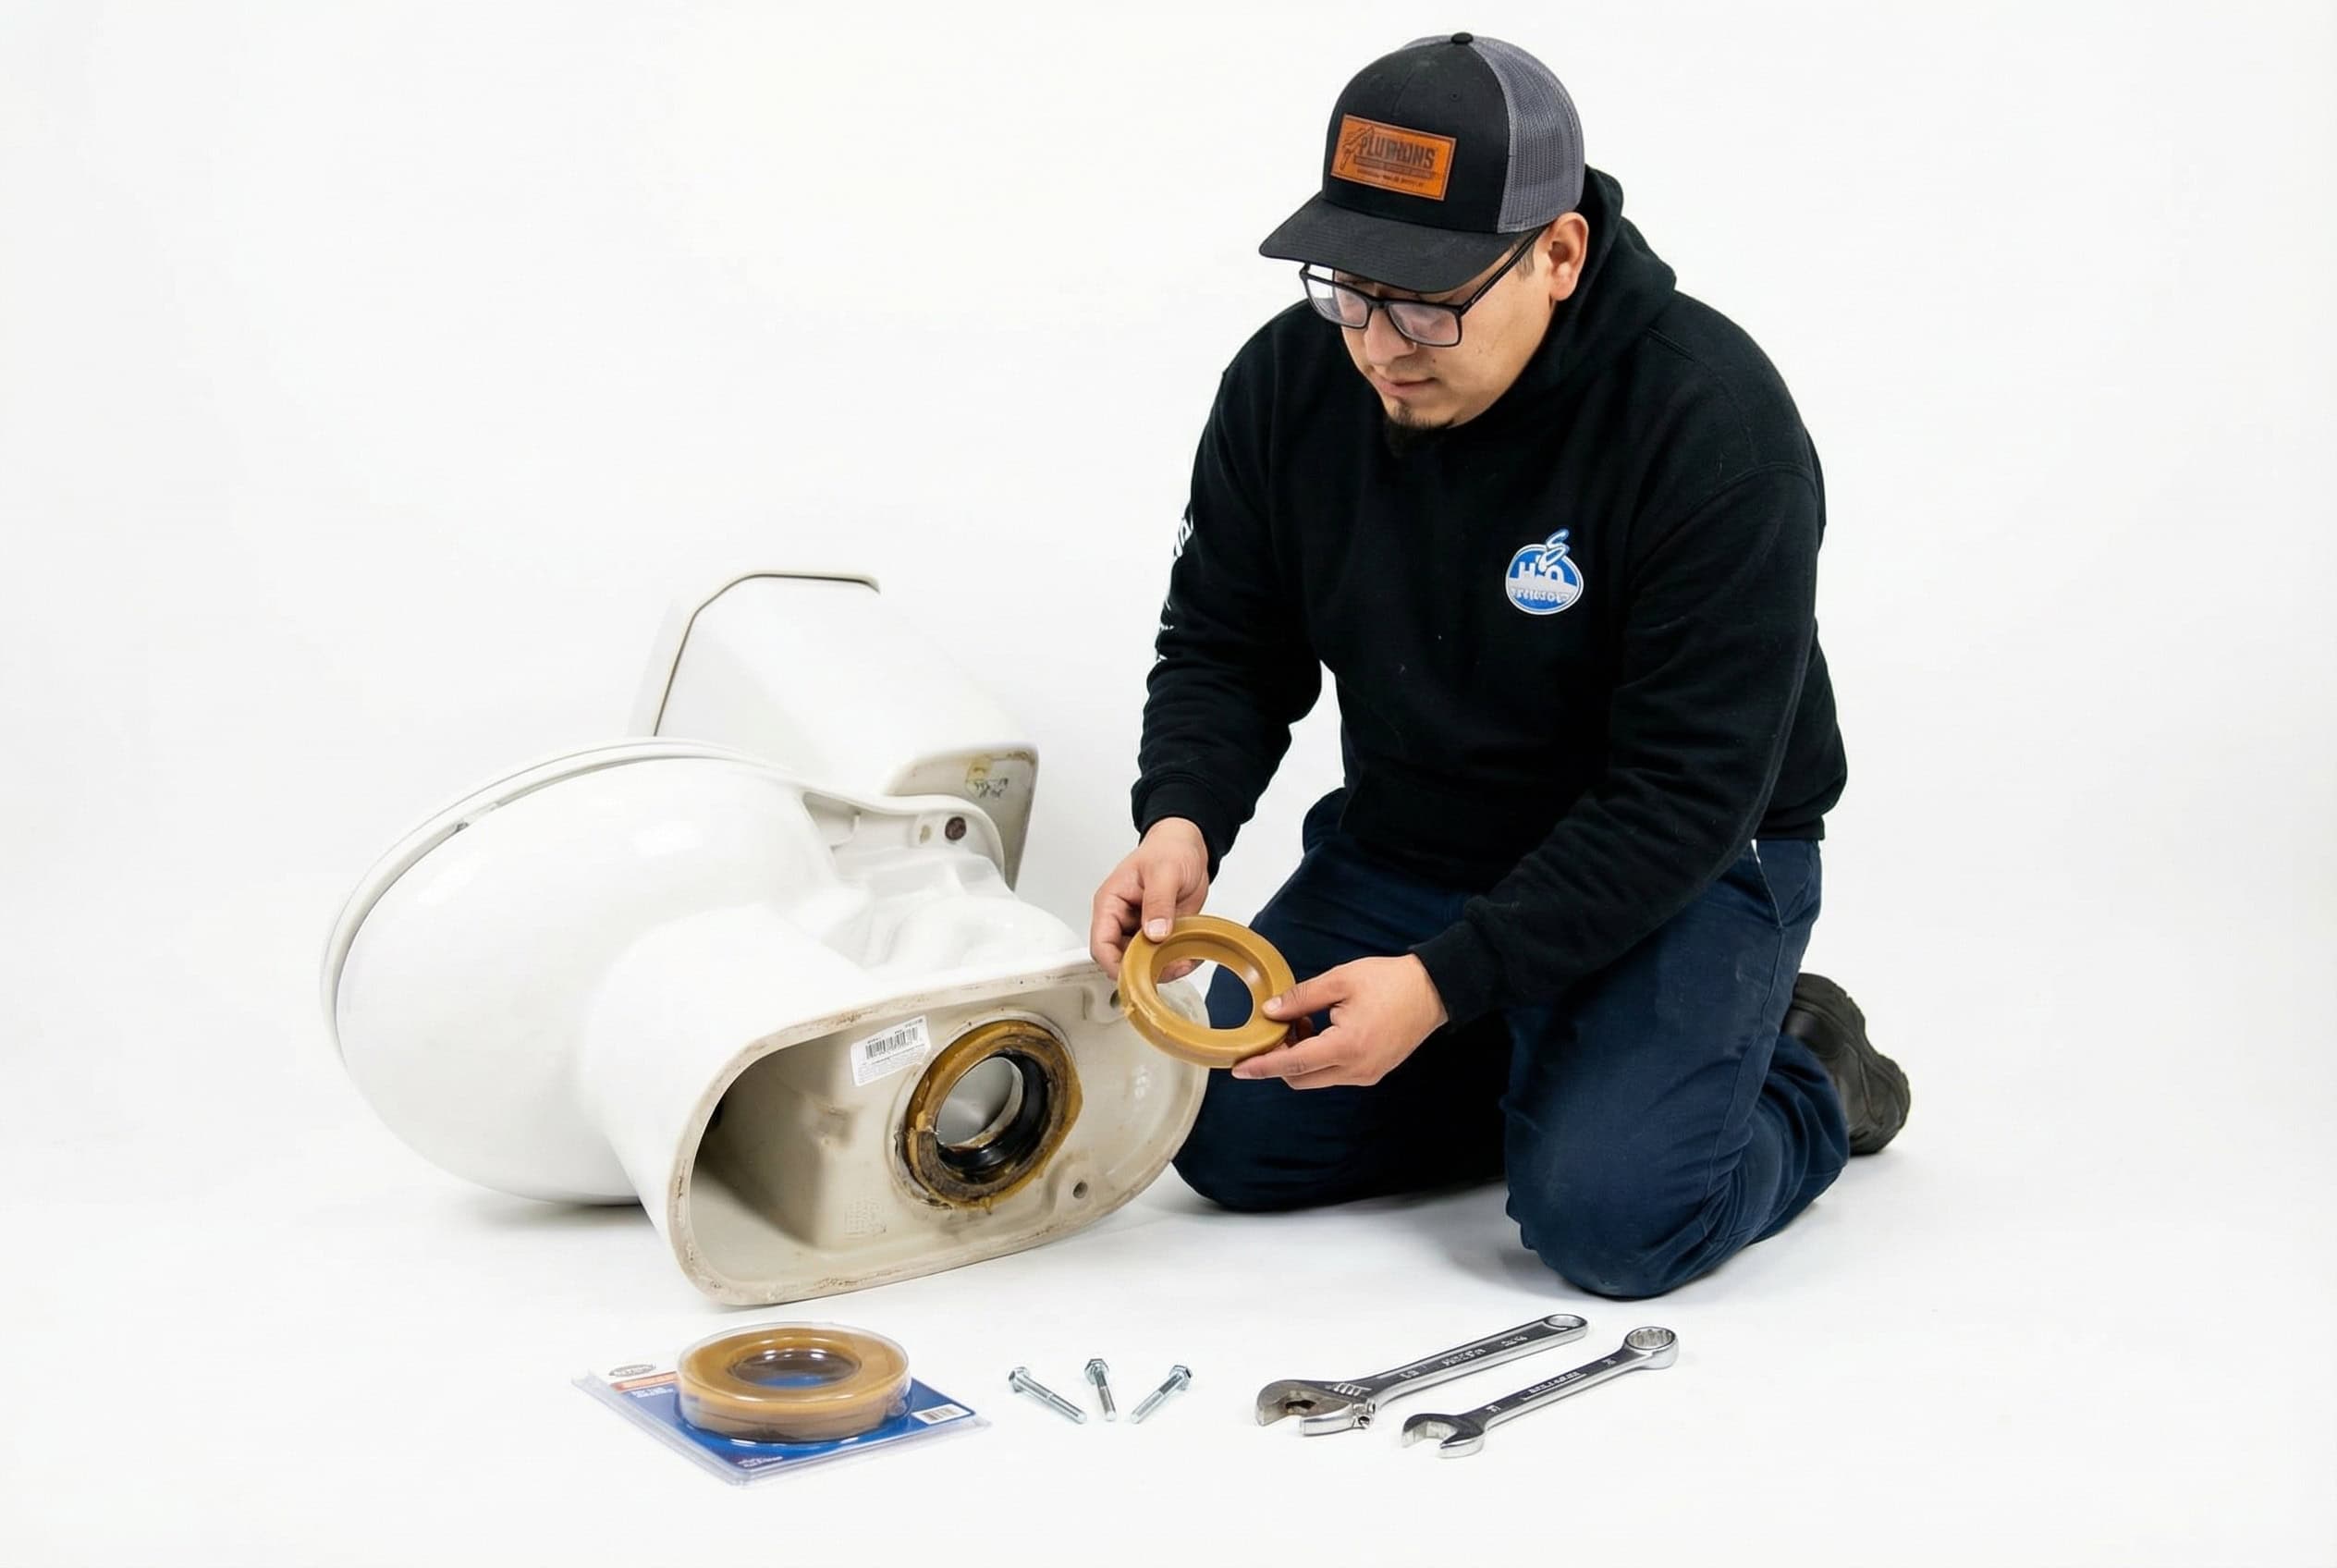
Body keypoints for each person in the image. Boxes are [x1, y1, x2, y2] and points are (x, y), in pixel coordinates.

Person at [1087, 32, 1910, 1300]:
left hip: (1683, 866)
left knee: (1614, 1224)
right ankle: (1542, 1059)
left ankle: (1800, 1061)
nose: (1380, 344)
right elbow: (1225, 645)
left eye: (1430, 300)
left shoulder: (1713, 428)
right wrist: (1181, 818)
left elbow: (1688, 796)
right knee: (1226, 1134)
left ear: (1560, 255)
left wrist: (1439, 984)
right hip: (1416, 842)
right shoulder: (1289, 382)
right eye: (1350, 288)